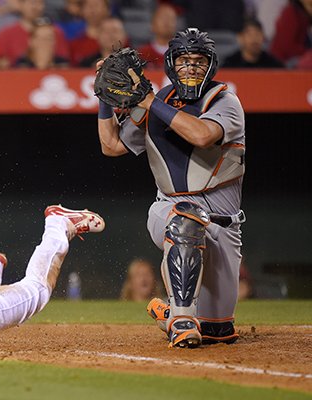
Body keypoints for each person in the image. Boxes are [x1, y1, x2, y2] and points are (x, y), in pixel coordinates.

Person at [97, 28, 246, 348]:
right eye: (183, 60)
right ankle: (179, 319)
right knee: (186, 218)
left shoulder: (225, 101)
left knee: (217, 331)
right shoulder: (157, 100)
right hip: (170, 210)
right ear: (171, 63)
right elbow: (111, 146)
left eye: (198, 61)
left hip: (223, 226)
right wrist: (105, 100)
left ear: (211, 65)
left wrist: (150, 101)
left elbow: (202, 135)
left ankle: (167, 311)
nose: (190, 67)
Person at [0, 0, 70, 67]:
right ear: (20, 4)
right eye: (31, 2)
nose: (34, 7)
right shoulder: (6, 34)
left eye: (39, 2)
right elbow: (1, 64)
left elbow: (64, 63)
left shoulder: (56, 32)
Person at [270, 0, 312, 67]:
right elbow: (287, 45)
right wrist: (307, 52)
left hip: (299, 55)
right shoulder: (290, 12)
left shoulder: (304, 12)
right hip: (283, 60)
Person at [69, 0, 110, 66]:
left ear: (107, 9)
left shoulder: (116, 39)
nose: (93, 10)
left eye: (96, 5)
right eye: (89, 6)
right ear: (81, 10)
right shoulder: (75, 41)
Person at [137, 4, 177, 69]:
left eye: (171, 18)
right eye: (162, 18)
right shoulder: (142, 54)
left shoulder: (183, 55)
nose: (167, 22)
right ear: (152, 25)